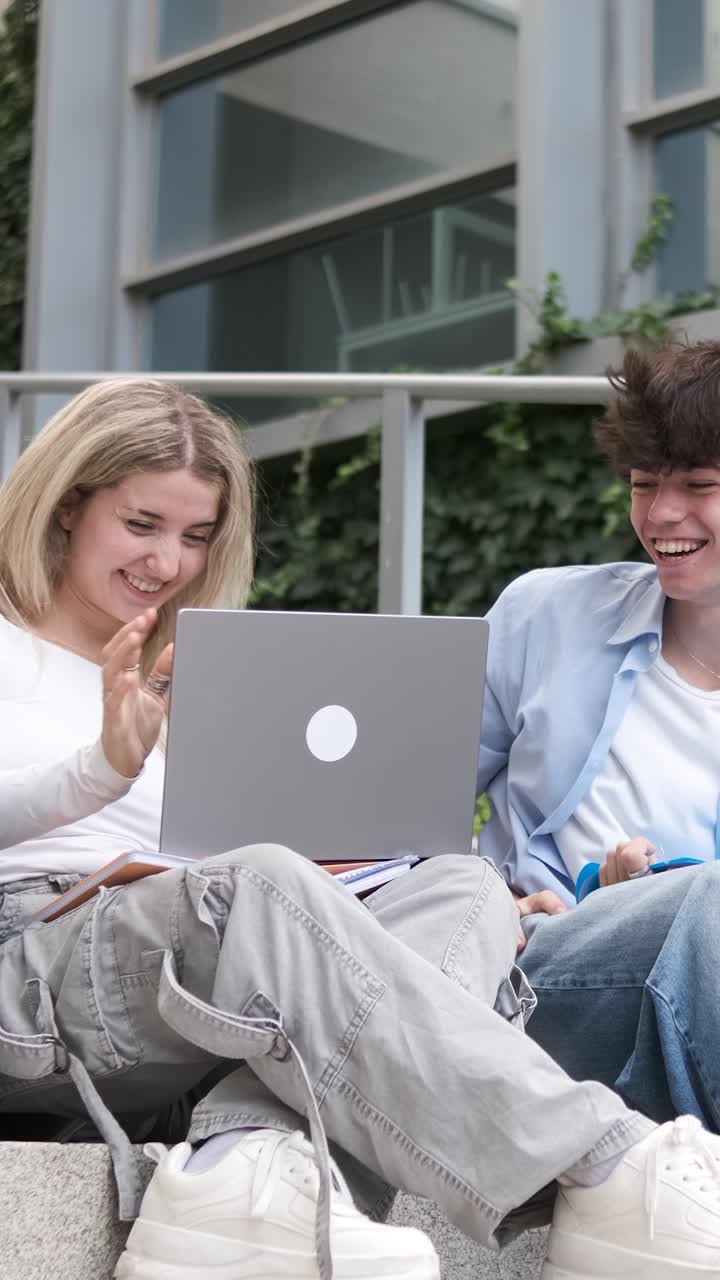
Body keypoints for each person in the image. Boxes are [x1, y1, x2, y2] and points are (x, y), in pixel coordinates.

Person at [1, 379, 719, 1280]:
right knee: (258, 883)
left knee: (458, 886)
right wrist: (100, 770)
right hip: (29, 959)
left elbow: (234, 873)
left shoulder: (177, 682)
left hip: (179, 959)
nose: (168, 563)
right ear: (67, 503)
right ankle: (609, 1165)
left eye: (196, 536)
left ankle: (249, 1163)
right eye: (142, 525)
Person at [478, 339, 720, 1136]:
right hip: (540, 969)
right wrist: (489, 900)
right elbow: (396, 813)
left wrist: (649, 899)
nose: (660, 516)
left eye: (699, 487)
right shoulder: (544, 616)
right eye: (643, 485)